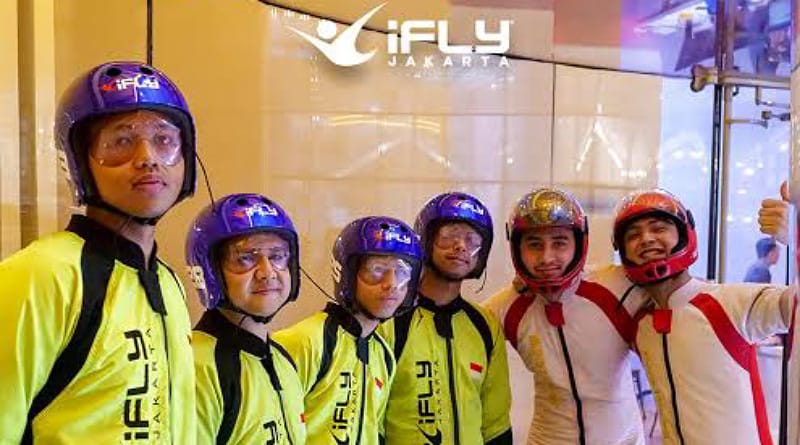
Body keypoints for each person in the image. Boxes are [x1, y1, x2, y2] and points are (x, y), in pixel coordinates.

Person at [0, 61, 197, 443]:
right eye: (121, 141)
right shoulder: (38, 276)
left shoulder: (168, 282)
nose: (148, 157)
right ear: (78, 161)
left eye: (164, 139)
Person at [614, 188, 795, 445]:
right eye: (633, 235)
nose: (646, 239)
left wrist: (797, 237)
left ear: (683, 233)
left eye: (659, 228)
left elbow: (794, 307)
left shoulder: (731, 303)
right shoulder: (640, 325)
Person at [483, 187, 645, 445]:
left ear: (579, 243)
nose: (547, 257)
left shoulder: (616, 288)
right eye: (534, 244)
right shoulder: (507, 306)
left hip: (623, 440)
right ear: (516, 248)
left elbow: (679, 298)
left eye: (559, 243)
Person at [273, 216, 423, 445]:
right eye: (377, 269)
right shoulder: (304, 341)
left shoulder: (383, 354)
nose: (391, 283)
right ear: (347, 274)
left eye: (402, 271)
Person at [380, 192, 513, 445]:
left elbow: (496, 424)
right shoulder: (390, 322)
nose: (461, 246)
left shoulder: (485, 325)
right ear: (426, 239)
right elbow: (369, 422)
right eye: (449, 235)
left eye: (472, 240)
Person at [186, 193, 305, 444]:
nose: (267, 273)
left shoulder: (282, 360)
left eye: (277, 256)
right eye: (246, 258)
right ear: (210, 271)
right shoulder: (197, 366)